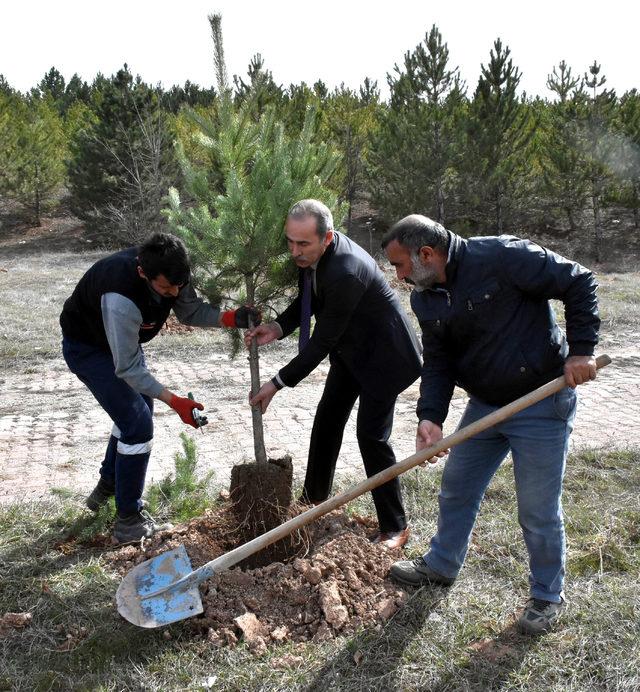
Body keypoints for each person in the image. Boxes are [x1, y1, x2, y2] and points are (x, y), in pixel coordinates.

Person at [381, 214, 600, 633]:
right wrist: (431, 416)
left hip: (541, 400)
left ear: (426, 254)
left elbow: (579, 280)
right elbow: (439, 361)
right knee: (457, 485)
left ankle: (546, 596)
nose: (399, 276)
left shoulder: (503, 255)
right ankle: (442, 564)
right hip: (486, 406)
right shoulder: (426, 297)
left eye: (400, 266)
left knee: (537, 510)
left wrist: (582, 350)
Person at [60, 232, 260, 543]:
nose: (174, 293)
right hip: (88, 349)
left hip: (119, 345)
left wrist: (231, 317)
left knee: (138, 412)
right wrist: (175, 401)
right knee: (137, 423)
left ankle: (108, 486)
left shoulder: (174, 270)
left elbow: (189, 311)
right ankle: (128, 519)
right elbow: (126, 367)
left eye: (178, 285)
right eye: (166, 288)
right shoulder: (120, 298)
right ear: (143, 273)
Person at [245, 199, 422, 549]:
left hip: (386, 357)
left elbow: (323, 339)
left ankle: (395, 527)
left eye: (302, 244)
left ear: (326, 238)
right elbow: (307, 299)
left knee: (371, 436)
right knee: (327, 421)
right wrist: (279, 326)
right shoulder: (310, 255)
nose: (294, 251)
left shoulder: (345, 270)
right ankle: (314, 502)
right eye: (290, 242)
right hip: (353, 350)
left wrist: (278, 382)